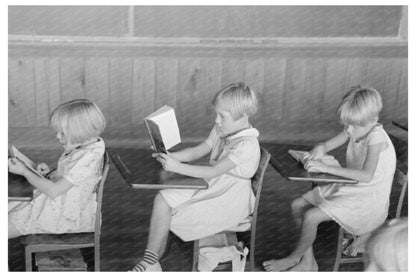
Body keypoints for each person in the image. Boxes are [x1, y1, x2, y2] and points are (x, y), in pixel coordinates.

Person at [263, 86, 396, 271]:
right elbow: (330, 143)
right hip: (352, 188)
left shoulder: (376, 138)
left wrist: (324, 167)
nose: (348, 130)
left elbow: (366, 176)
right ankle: (308, 262)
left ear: (373, 120)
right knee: (297, 205)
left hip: (368, 200)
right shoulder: (357, 127)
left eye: (353, 126)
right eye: (346, 124)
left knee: (310, 216)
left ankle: (294, 258)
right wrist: (321, 148)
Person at [130, 82, 260, 271]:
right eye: (217, 114)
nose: (216, 120)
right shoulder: (222, 129)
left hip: (229, 198)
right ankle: (151, 260)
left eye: (222, 116)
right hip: (213, 186)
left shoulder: (247, 145)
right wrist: (171, 157)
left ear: (244, 116)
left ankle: (152, 260)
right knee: (163, 198)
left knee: (174, 211)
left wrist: (177, 167)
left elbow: (212, 171)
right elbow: (200, 150)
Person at [8, 99, 106, 238]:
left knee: (13, 219)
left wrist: (25, 171)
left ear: (79, 132)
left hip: (67, 217)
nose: (57, 136)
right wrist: (52, 172)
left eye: (62, 133)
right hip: (62, 205)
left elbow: (54, 190)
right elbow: (76, 178)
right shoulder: (88, 146)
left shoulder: (88, 157)